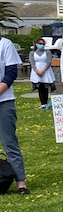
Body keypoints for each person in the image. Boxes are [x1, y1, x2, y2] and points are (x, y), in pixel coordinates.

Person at [0, 34, 29, 194]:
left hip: (4, 101)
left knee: (9, 142)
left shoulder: (5, 44)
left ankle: (20, 182)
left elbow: (11, 73)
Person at [29, 38, 55, 109]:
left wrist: (43, 70)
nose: (42, 45)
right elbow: (32, 63)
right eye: (40, 44)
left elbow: (49, 62)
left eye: (43, 44)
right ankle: (42, 103)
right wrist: (37, 71)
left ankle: (45, 103)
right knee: (40, 87)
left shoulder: (47, 52)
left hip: (46, 70)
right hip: (36, 71)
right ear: (36, 44)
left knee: (45, 86)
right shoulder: (32, 53)